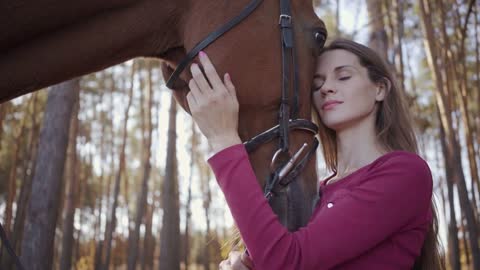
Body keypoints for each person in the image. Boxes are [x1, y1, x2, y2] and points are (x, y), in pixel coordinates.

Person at [186, 39, 444, 270]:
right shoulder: (314, 191)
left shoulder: (405, 173)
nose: (326, 89)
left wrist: (223, 140)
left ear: (380, 89)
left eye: (343, 77)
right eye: (317, 83)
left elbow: (287, 261)